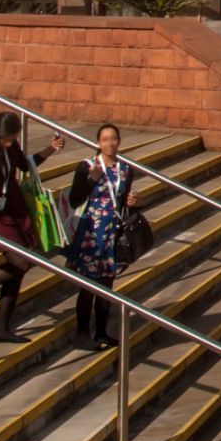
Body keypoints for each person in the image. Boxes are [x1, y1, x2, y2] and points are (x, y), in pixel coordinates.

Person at [0, 112, 65, 342]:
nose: (7, 142)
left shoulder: (10, 147)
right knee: (21, 261)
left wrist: (50, 149)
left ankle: (2, 327)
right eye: (5, 138)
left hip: (13, 208)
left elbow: (25, 167)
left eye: (12, 138)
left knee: (18, 267)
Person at [67, 123, 140, 350]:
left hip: (112, 232)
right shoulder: (86, 167)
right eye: (105, 139)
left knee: (107, 284)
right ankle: (81, 333)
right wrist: (91, 180)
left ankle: (101, 331)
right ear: (98, 143)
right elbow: (74, 199)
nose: (110, 143)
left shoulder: (125, 169)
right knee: (88, 284)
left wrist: (132, 202)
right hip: (91, 231)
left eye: (114, 139)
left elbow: (123, 198)